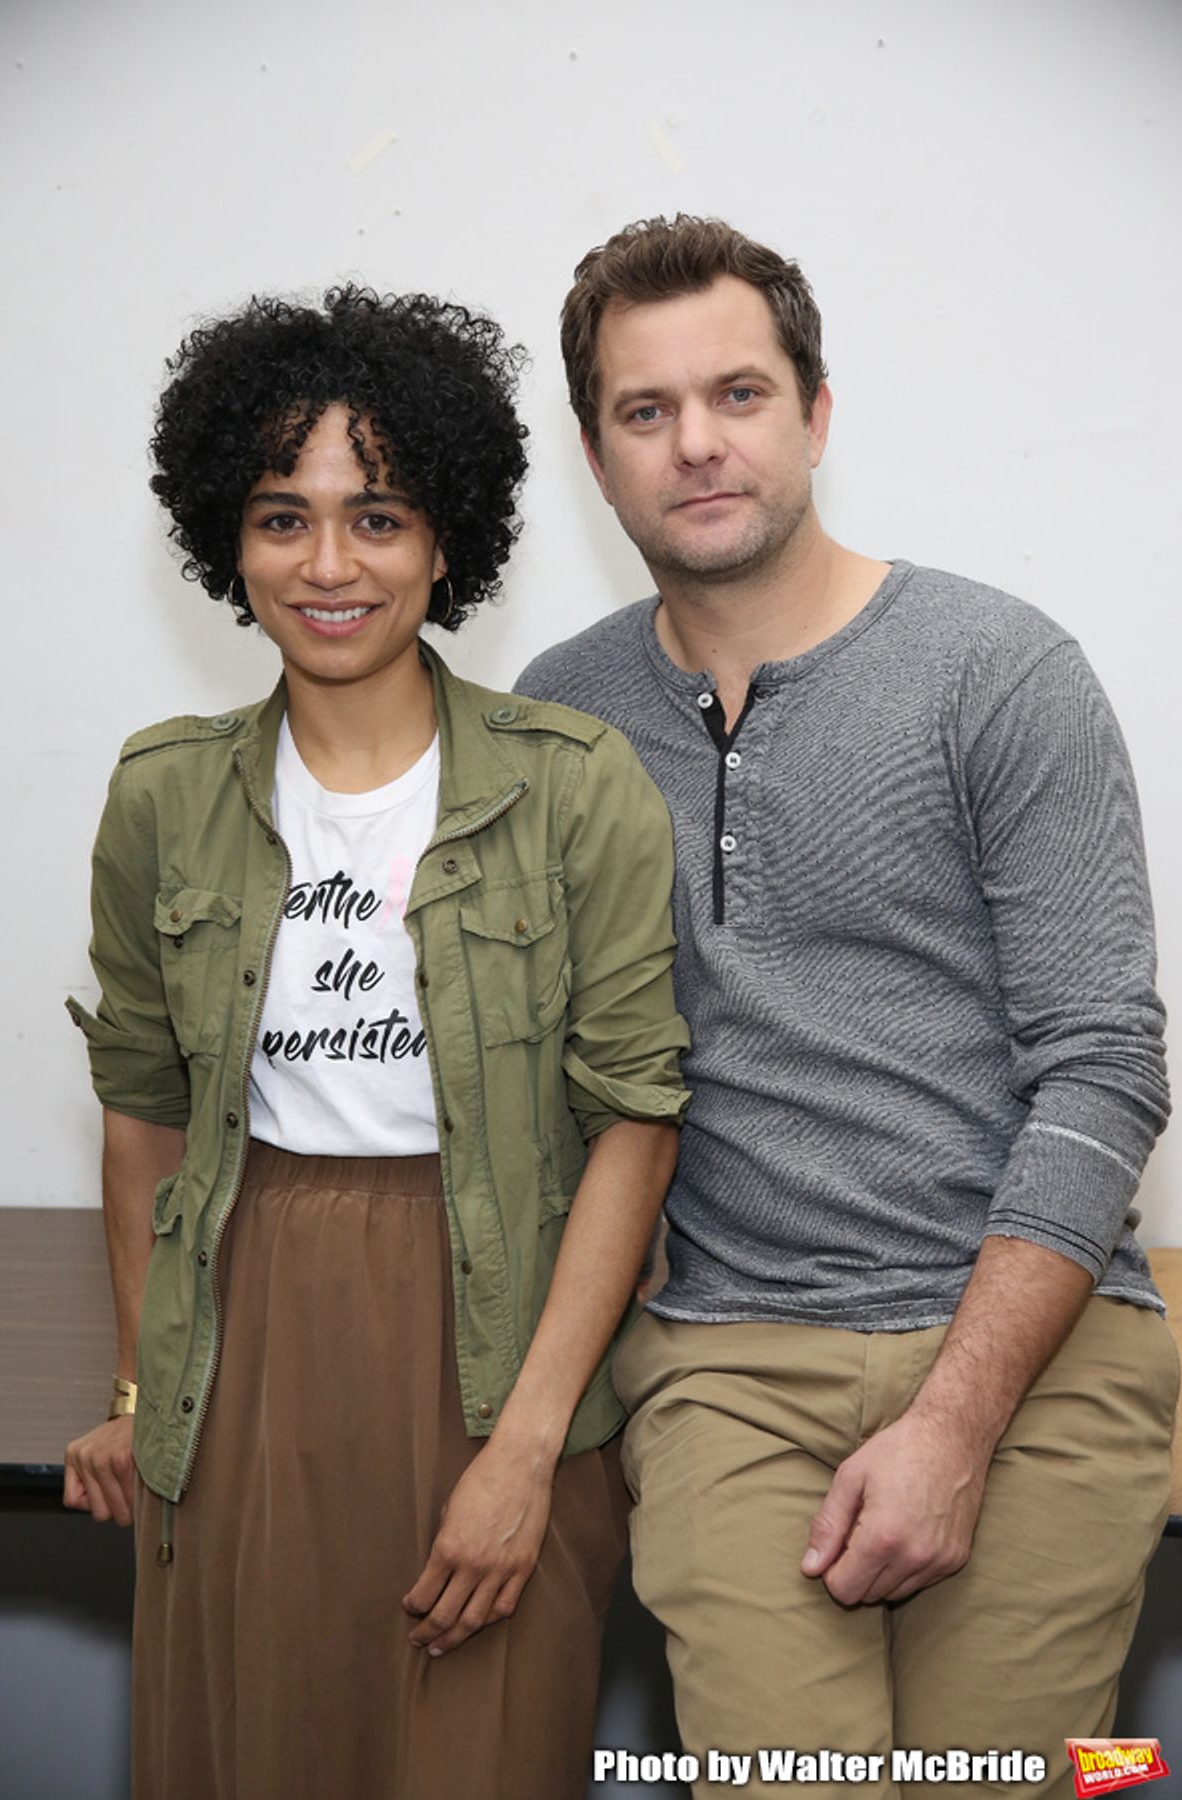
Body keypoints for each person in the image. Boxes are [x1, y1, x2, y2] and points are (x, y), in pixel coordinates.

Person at [516, 215, 1177, 1798]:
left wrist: (955, 1422)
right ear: (599, 462)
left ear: (816, 413)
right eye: (645, 412)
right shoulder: (561, 718)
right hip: (729, 1362)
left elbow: (1106, 1065)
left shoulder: (998, 670)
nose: (698, 445)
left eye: (739, 394)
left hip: (1041, 1350)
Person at [62, 285, 689, 1800]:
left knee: (479, 1751)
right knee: (251, 1749)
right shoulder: (162, 797)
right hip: (249, 1333)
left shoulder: (572, 786)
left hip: (504, 1342)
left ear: (446, 538)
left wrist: (530, 1448)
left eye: (380, 516)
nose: (330, 565)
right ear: (230, 540)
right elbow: (145, 1118)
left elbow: (636, 1122)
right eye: (283, 518)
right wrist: (153, 1394)